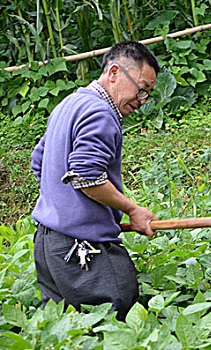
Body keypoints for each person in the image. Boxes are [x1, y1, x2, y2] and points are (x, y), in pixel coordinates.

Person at [31, 41, 160, 321]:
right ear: (114, 72)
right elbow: (86, 176)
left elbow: (39, 160)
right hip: (82, 249)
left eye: (147, 94)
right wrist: (132, 209)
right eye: (141, 89)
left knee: (66, 330)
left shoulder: (70, 103)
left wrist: (61, 204)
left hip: (47, 246)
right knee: (115, 320)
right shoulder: (101, 113)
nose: (141, 101)